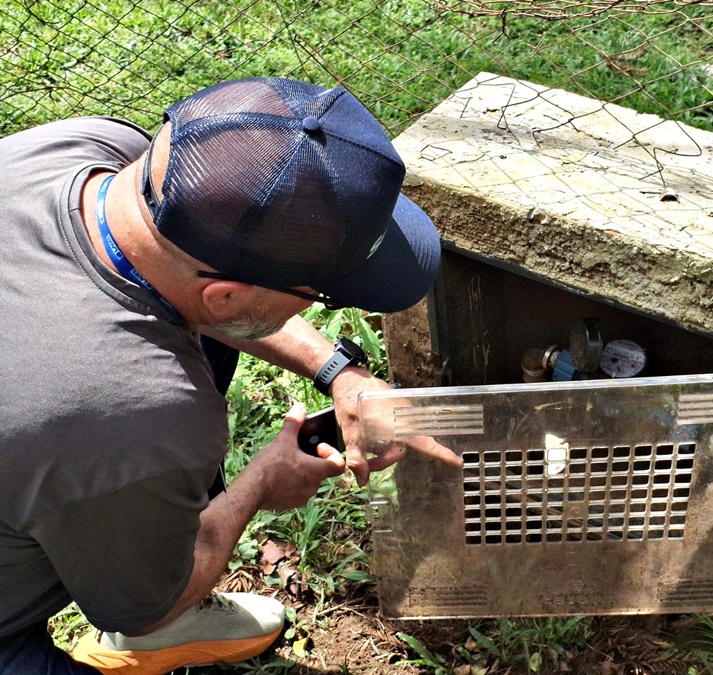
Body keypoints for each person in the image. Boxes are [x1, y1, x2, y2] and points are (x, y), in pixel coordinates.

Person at [0, 77, 462, 674]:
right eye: (316, 295)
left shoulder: (81, 151)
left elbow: (190, 283)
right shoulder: (132, 413)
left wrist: (339, 372)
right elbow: (139, 608)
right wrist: (258, 486)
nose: (318, 308)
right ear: (223, 296)